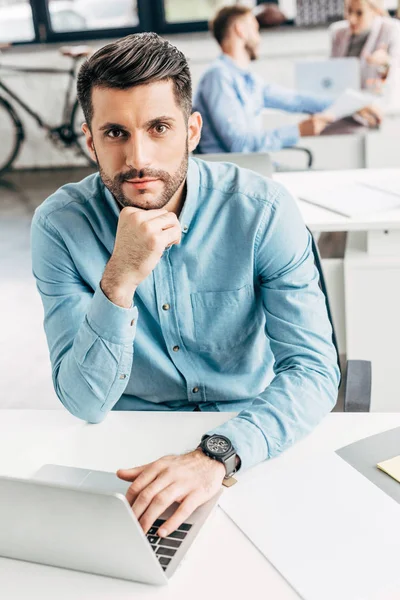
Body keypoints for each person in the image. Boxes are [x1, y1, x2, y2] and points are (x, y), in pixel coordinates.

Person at [31, 33, 339, 540]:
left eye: (159, 127)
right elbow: (84, 401)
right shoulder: (60, 227)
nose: (138, 158)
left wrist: (215, 455)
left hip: (252, 439)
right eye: (115, 133)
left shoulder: (262, 212)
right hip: (128, 453)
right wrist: (119, 279)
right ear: (90, 141)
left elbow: (313, 370)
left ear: (192, 131)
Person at [194, 4, 335, 154]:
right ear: (240, 29)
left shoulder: (250, 80)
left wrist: (350, 105)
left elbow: (295, 100)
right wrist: (297, 130)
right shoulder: (218, 77)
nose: (258, 38)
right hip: (229, 171)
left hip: (252, 167)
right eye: (255, 29)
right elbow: (239, 144)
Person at [330, 0, 400, 101]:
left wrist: (386, 62)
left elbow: (395, 71)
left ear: (375, 11)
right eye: (349, 11)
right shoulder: (337, 32)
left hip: (379, 101)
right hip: (345, 100)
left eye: (359, 13)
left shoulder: (392, 29)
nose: (351, 19)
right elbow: (331, 70)